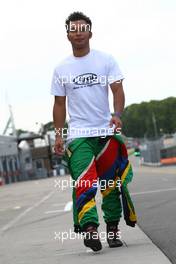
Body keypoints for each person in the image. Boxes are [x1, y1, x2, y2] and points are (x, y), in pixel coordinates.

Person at [51, 11, 136, 252]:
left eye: (82, 28)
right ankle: (90, 229)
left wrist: (117, 115)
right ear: (67, 35)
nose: (78, 33)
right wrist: (59, 134)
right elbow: (59, 104)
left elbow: (118, 91)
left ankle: (112, 229)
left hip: (106, 133)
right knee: (84, 181)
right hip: (78, 136)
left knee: (111, 185)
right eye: (73, 29)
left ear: (90, 32)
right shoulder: (61, 68)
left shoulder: (106, 60)